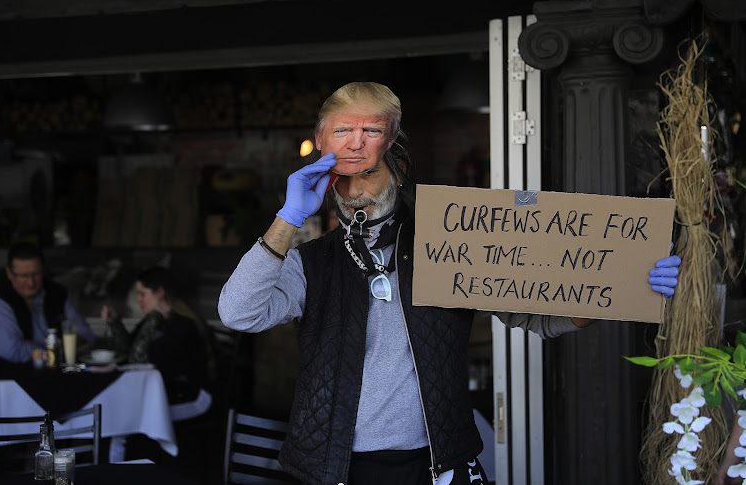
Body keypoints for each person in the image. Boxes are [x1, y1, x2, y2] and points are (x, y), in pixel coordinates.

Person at [218, 82, 682, 485]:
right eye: (344, 178)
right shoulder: (309, 262)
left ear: (397, 172)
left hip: (437, 464)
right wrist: (289, 215)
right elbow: (238, 313)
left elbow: (544, 317)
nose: (356, 189)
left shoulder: (452, 242)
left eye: (369, 172)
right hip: (334, 465)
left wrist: (623, 282)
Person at [102, 266, 212, 404]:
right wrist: (115, 323)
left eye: (142, 294)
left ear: (160, 292)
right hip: (158, 391)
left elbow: (139, 360)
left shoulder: (183, 325)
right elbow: (129, 350)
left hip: (186, 397)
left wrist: (154, 320)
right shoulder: (154, 320)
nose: (138, 300)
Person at [0, 242, 96, 365]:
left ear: (43, 270)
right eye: (23, 276)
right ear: (9, 274)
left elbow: (86, 333)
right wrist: (57, 353)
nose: (31, 283)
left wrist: (80, 341)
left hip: (55, 371)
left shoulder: (55, 292)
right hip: (11, 377)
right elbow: (12, 350)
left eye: (36, 274)